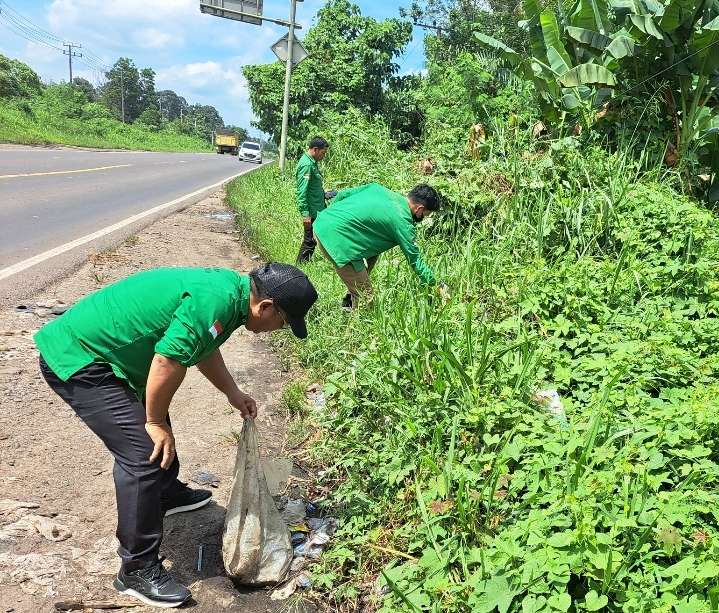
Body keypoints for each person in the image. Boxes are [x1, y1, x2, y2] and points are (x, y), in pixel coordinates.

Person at [34, 263, 318, 608]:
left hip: (110, 359)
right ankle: (136, 569)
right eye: (283, 323)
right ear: (267, 307)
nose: (278, 329)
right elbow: (168, 360)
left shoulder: (231, 297)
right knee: (144, 455)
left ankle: (165, 495)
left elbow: (203, 347)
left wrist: (232, 392)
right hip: (81, 359)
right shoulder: (214, 301)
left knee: (155, 427)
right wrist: (153, 421)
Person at [312, 182, 446, 309]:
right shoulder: (403, 222)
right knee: (367, 300)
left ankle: (348, 302)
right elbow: (415, 261)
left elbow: (342, 195)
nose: (423, 218)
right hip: (339, 243)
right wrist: (436, 285)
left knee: (373, 257)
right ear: (419, 209)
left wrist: (330, 218)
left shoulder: (378, 189)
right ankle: (356, 330)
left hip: (321, 223)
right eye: (425, 215)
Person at [295, 136, 332, 264]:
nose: (324, 156)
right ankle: (301, 266)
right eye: (323, 153)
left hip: (318, 208)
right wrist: (305, 215)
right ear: (315, 150)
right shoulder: (306, 165)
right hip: (311, 211)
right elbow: (301, 191)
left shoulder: (312, 162)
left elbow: (312, 187)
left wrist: (324, 192)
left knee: (315, 239)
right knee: (309, 241)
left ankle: (305, 264)